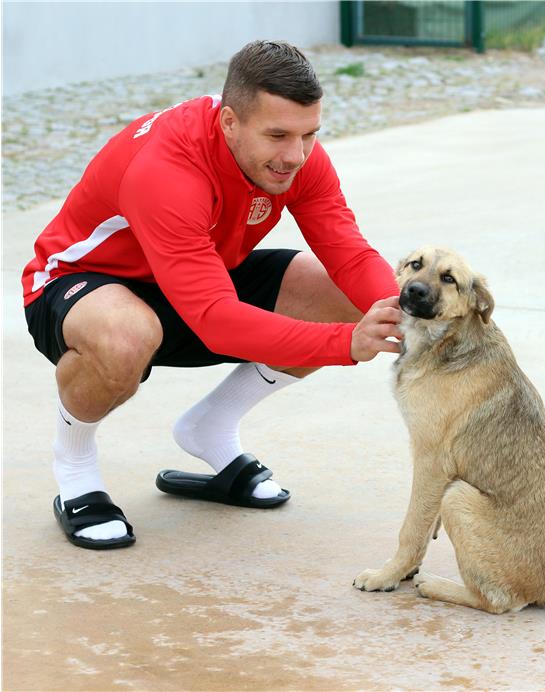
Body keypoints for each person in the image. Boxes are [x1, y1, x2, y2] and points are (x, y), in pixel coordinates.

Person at [21, 40, 402, 550]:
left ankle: (210, 429)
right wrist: (345, 344)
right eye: (278, 135)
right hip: (82, 284)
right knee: (126, 337)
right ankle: (75, 467)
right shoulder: (168, 171)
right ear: (229, 123)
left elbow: (349, 253)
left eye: (310, 134)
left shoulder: (293, 155)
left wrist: (409, 314)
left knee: (351, 297)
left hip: (199, 273)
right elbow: (216, 319)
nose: (296, 155)